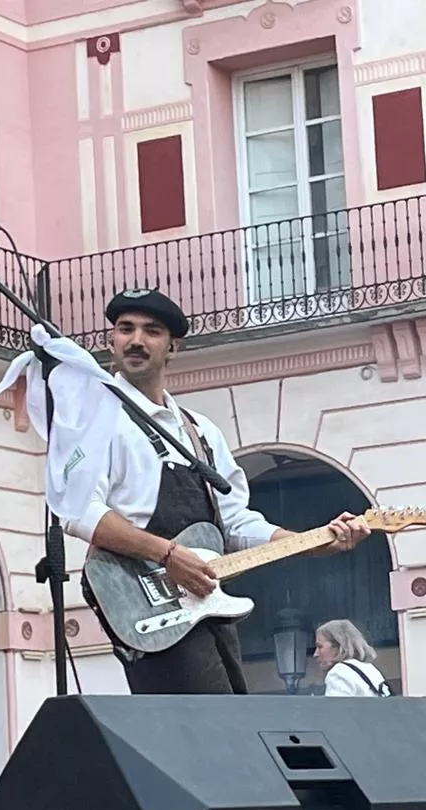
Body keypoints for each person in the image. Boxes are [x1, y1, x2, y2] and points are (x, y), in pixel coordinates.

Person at [62, 288, 370, 695]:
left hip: (201, 597)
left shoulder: (201, 431)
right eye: (125, 329)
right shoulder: (92, 420)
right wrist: (168, 554)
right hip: (140, 594)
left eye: (151, 331)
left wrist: (311, 543)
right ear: (111, 341)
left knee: (230, 714)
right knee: (199, 720)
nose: (136, 340)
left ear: (172, 347)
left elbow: (236, 521)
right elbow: (79, 511)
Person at [314, 619, 391, 696]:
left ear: (338, 646)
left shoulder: (339, 672)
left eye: (320, 647)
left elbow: (337, 707)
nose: (315, 654)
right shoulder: (370, 669)